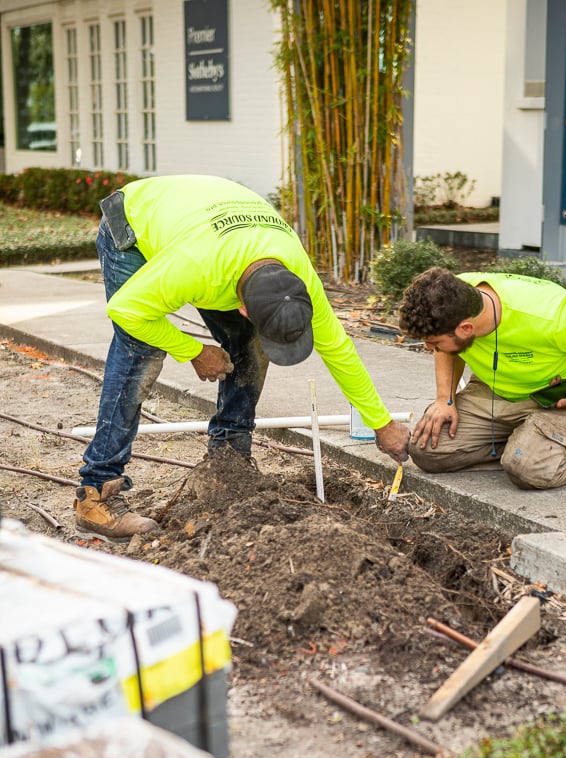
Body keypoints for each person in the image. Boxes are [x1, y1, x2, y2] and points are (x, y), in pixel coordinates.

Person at [75, 174, 410, 540]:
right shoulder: (194, 266)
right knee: (140, 347)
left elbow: (340, 351)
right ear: (245, 308)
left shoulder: (297, 273)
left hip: (210, 229)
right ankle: (97, 492)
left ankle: (228, 461)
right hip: (134, 227)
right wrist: (194, 351)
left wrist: (382, 424)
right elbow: (125, 310)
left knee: (249, 345)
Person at [397, 267, 566, 490]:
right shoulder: (453, 299)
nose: (430, 348)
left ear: (466, 329)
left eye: (434, 342)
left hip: (563, 396)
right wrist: (444, 400)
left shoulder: (553, 317)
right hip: (496, 390)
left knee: (529, 470)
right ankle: (529, 441)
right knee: (426, 451)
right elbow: (446, 349)